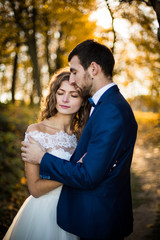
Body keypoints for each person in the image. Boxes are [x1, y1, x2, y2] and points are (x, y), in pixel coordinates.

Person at [21, 39, 138, 240]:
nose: (73, 79)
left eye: (74, 72)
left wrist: (44, 158)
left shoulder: (109, 110)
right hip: (62, 214)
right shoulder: (105, 107)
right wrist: (74, 166)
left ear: (93, 68)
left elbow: (88, 175)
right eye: (61, 93)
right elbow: (35, 187)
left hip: (93, 216)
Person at [3, 69, 90, 240]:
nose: (65, 100)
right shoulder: (36, 132)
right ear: (54, 95)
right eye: (61, 93)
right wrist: (74, 171)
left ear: (83, 100)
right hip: (44, 212)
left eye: (73, 95)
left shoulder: (81, 135)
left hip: (75, 211)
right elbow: (35, 188)